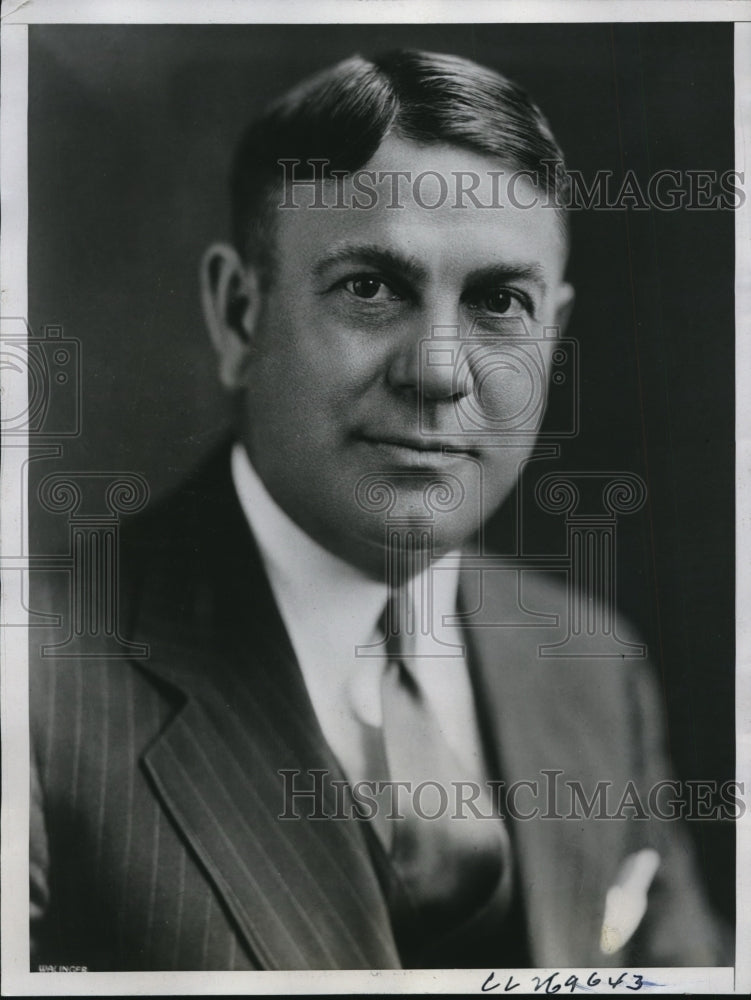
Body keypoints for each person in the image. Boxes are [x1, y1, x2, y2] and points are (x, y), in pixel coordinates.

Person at [29, 49, 727, 972]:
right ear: (240, 316)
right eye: (370, 288)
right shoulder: (35, 689)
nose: (439, 371)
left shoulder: (591, 666)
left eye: (499, 303)